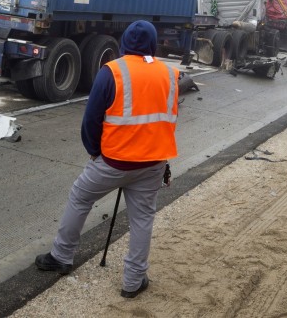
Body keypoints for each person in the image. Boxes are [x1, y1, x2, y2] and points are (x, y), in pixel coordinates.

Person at [35, 20, 179, 299]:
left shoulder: (112, 71)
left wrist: (93, 150)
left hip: (113, 161)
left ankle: (62, 256)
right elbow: (167, 122)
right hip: (152, 164)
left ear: (125, 42)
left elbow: (91, 119)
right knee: (142, 219)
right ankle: (133, 281)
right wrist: (162, 161)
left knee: (80, 197)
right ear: (152, 44)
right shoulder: (170, 74)